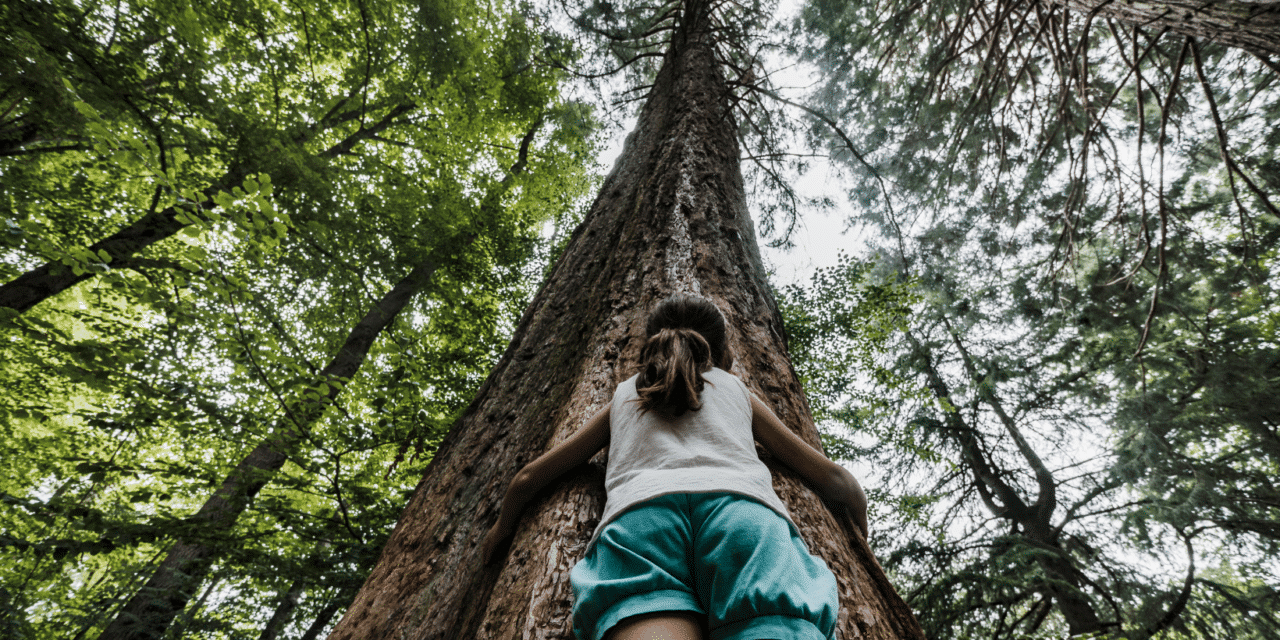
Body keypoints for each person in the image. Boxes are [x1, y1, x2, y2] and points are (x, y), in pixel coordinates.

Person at [481, 294, 869, 640]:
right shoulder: (735, 389)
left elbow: (529, 477)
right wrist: (862, 539)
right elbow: (838, 480)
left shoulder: (625, 395)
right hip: (744, 518)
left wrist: (500, 531)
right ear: (720, 351)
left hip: (641, 522)